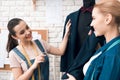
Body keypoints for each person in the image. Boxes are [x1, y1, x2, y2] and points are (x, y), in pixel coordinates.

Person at [68, 1, 120, 80]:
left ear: (107, 19)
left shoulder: (112, 55)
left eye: (94, 18)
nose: (91, 24)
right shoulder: (108, 46)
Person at [6, 18, 71, 80]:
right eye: (22, 32)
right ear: (15, 37)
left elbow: (60, 51)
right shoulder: (13, 54)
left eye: (27, 27)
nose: (28, 32)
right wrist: (33, 66)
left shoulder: (41, 43)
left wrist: (66, 34)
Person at [60, 0, 96, 73]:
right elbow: (66, 42)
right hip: (75, 62)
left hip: (95, 61)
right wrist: (65, 66)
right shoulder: (71, 17)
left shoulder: (102, 16)